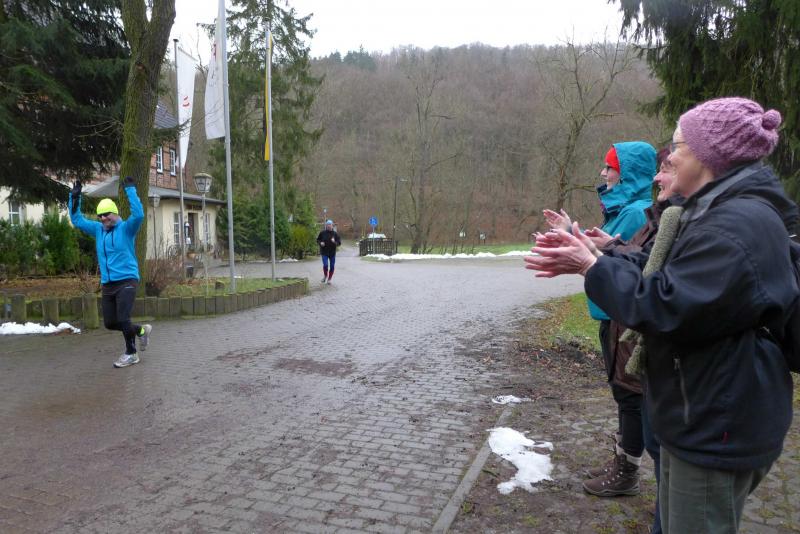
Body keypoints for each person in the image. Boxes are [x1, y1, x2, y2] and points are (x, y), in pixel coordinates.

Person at [525, 97, 798, 533]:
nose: (666, 160)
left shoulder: (735, 224)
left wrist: (592, 266)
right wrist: (600, 255)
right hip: (701, 412)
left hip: (714, 423)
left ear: (708, 155)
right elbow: (660, 267)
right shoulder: (717, 212)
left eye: (678, 146)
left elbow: (665, 305)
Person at [542, 141, 656, 497]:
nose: (604, 173)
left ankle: (627, 471)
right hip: (612, 315)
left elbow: (628, 266)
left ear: (628, 173)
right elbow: (609, 255)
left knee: (630, 394)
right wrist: (570, 233)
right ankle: (623, 461)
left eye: (610, 167)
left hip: (623, 318)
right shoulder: (623, 209)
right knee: (623, 392)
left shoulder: (636, 212)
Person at [69, 176, 152, 368]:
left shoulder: (127, 228)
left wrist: (130, 190)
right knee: (111, 323)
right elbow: (77, 220)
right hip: (108, 283)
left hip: (127, 280)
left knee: (123, 318)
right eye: (100, 215)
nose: (103, 218)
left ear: (114, 213)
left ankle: (131, 353)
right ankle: (141, 331)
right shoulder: (98, 230)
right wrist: (74, 198)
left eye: (106, 214)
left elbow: (139, 215)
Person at [316, 219, 341, 284]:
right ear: (326, 226)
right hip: (324, 252)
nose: (329, 226)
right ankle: (325, 276)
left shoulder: (335, 234)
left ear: (332, 226)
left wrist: (334, 242)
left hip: (332, 253)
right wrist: (320, 243)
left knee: (332, 266)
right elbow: (318, 240)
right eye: (328, 225)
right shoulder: (322, 233)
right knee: (325, 265)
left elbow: (339, 243)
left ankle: (329, 279)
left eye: (330, 225)